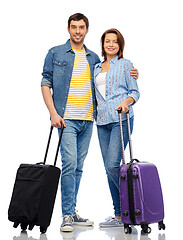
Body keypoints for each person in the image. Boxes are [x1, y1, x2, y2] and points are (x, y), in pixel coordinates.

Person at [41, 13, 139, 232]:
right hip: (66, 119)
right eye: (74, 27)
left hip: (89, 120)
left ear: (87, 30)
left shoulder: (93, 58)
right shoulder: (55, 53)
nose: (78, 31)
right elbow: (45, 83)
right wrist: (53, 113)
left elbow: (117, 79)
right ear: (68, 29)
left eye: (82, 27)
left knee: (79, 168)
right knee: (70, 165)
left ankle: (77, 212)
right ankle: (67, 215)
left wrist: (133, 73)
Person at [94, 28, 140, 227]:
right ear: (103, 44)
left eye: (115, 41)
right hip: (102, 121)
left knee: (113, 165)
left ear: (120, 45)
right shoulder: (96, 67)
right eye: (107, 41)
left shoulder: (125, 65)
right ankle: (120, 215)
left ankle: (133, 204)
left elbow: (135, 92)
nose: (111, 44)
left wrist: (126, 103)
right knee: (108, 168)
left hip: (121, 119)